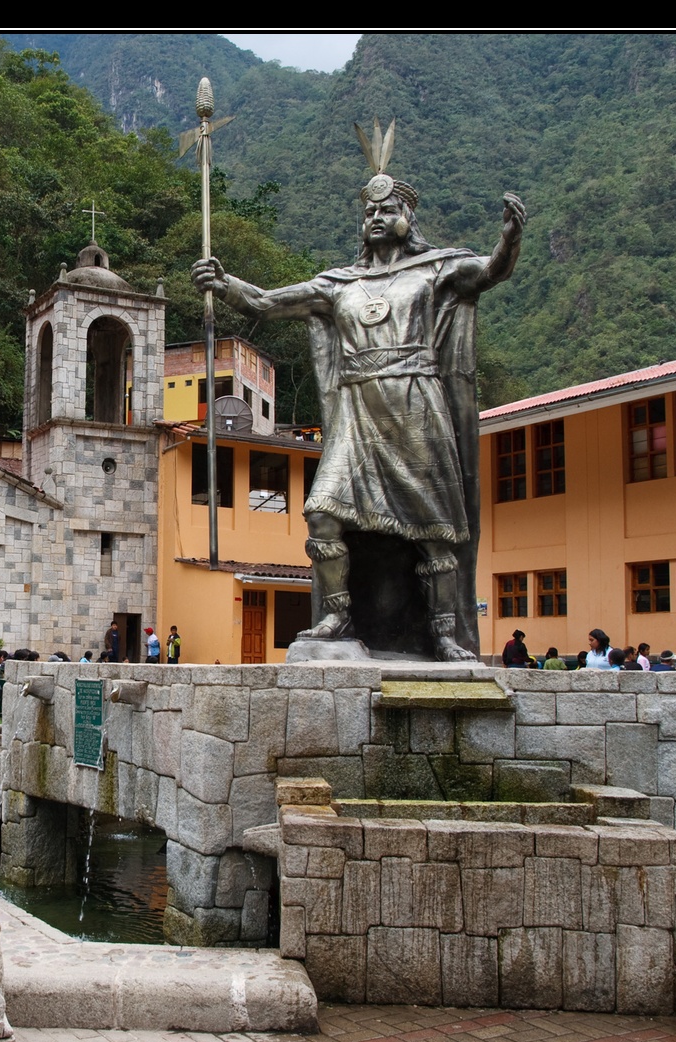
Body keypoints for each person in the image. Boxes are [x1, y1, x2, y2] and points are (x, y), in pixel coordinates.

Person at [193, 130, 524, 662]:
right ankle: (337, 616)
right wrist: (223, 283)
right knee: (322, 513)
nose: (376, 217)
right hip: (357, 413)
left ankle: (443, 634)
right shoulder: (337, 284)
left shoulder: (434, 269)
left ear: (408, 217)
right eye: (369, 211)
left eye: (388, 209)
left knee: (435, 530)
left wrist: (509, 239)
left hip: (416, 404)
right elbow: (266, 302)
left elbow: (488, 272)